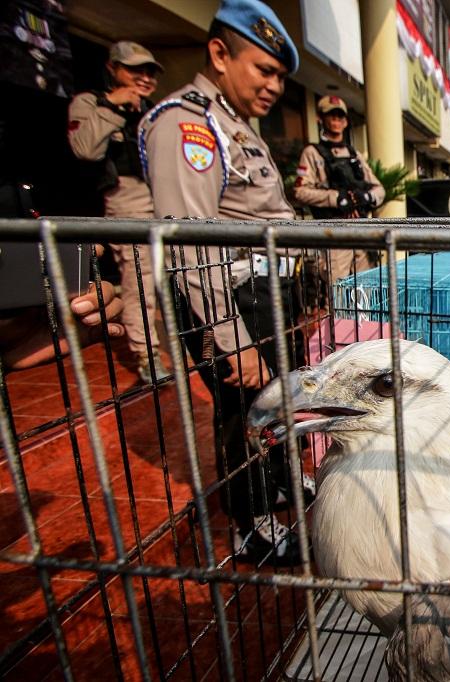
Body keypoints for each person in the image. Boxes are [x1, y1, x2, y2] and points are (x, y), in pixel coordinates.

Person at [139, 0, 307, 566]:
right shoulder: (188, 124)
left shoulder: (236, 127)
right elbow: (191, 243)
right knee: (244, 410)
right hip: (230, 299)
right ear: (219, 52)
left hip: (265, 294)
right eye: (264, 69)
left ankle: (278, 486)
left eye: (281, 76)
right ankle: (251, 524)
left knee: (277, 400)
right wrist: (232, 339)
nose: (275, 86)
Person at [67, 41, 168, 383]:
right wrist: (114, 105)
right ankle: (146, 354)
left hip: (166, 201)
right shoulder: (91, 103)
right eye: (135, 69)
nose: (143, 77)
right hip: (127, 199)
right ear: (112, 68)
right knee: (140, 282)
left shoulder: (155, 110)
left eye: (149, 71)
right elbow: (84, 149)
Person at [294, 94, 384, 277]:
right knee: (336, 292)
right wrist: (336, 199)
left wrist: (365, 197)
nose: (336, 120)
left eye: (340, 116)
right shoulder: (312, 153)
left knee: (366, 291)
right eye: (331, 115)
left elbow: (379, 189)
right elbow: (300, 191)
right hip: (334, 232)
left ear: (345, 122)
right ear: (320, 118)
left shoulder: (354, 155)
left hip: (361, 231)